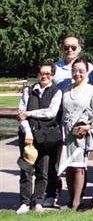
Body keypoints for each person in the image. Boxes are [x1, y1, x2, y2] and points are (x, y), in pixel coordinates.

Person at [45, 34, 93, 208]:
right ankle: (54, 193)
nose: (70, 50)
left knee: (79, 163)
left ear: (79, 48)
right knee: (60, 161)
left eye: (73, 47)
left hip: (81, 123)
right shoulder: (56, 68)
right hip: (60, 120)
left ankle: (78, 198)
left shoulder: (90, 68)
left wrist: (89, 123)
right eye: (66, 47)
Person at [16, 62, 62, 215]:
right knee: (26, 170)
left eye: (48, 73)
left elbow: (51, 113)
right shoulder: (28, 91)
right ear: (37, 74)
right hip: (28, 136)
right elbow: (21, 114)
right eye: (42, 73)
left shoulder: (56, 92)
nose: (45, 76)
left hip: (45, 137)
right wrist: (28, 132)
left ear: (52, 76)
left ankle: (38, 201)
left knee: (43, 171)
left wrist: (30, 113)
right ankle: (24, 202)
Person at [57, 56, 93, 210]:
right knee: (69, 166)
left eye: (81, 71)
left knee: (78, 167)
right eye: (75, 71)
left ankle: (76, 201)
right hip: (66, 132)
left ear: (87, 72)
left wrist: (89, 125)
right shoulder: (66, 89)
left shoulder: (91, 90)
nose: (77, 74)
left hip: (81, 133)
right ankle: (71, 200)